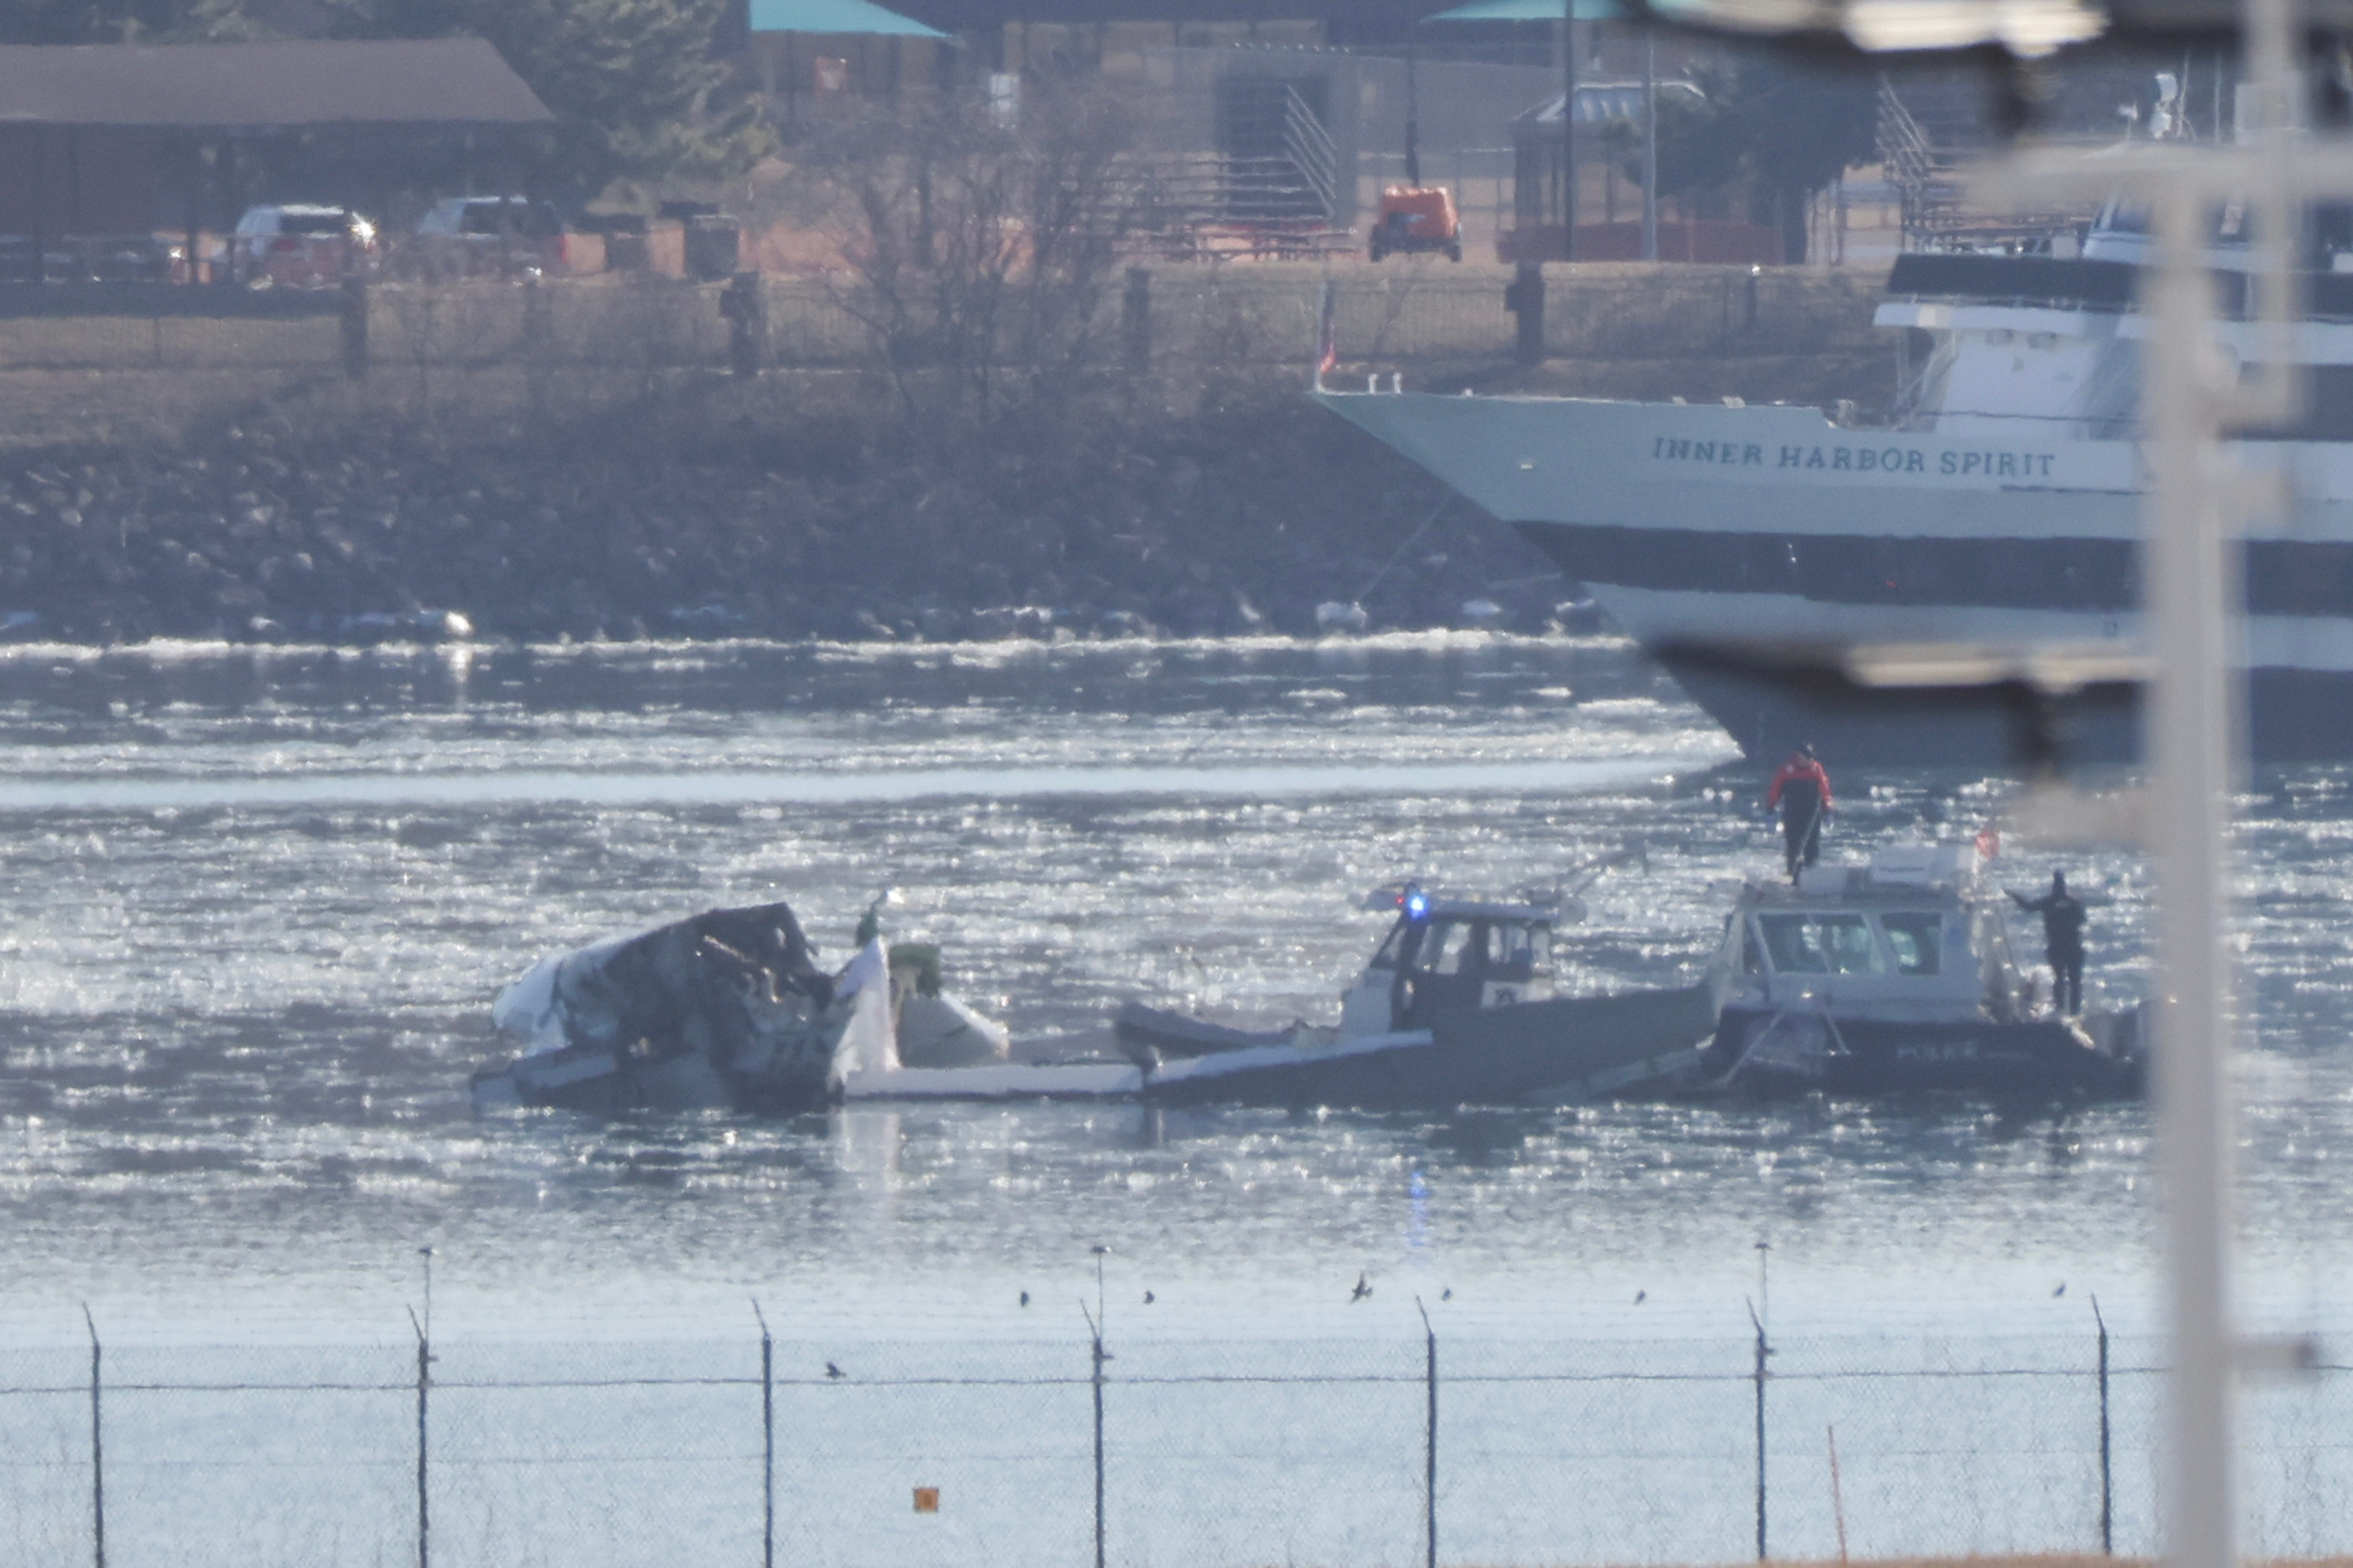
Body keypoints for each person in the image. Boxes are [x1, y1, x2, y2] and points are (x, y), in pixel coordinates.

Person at [2010, 870, 2088, 1015]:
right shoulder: (2073, 903)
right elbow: (2083, 919)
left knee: (2060, 979)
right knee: (2074, 982)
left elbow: (2029, 907)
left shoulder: (2049, 902)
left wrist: (2014, 896)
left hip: (2057, 947)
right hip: (2072, 947)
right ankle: (2074, 1012)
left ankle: (2061, 1010)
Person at [1764, 745, 1833, 883]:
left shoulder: (1816, 770)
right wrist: (1770, 809)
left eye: (1807, 759)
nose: (1804, 762)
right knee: (1794, 843)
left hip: (1812, 813)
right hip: (1793, 813)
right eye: (1801, 758)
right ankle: (1791, 872)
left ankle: (1810, 870)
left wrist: (1827, 810)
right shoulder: (1787, 771)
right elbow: (1775, 790)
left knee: (1812, 845)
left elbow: (1825, 790)